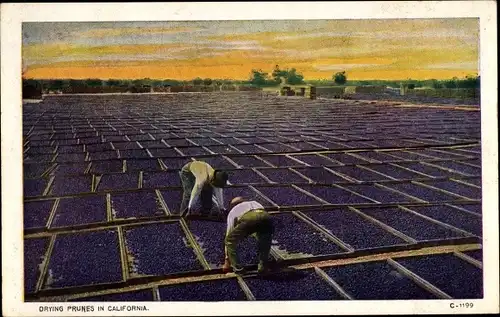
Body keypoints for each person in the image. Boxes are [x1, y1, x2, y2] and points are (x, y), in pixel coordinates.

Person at [222, 197, 274, 274]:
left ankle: (238, 268)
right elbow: (259, 219)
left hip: (249, 219)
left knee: (229, 240)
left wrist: (227, 260)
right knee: (264, 240)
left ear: (232, 206)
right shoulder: (255, 202)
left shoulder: (233, 211)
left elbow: (228, 235)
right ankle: (263, 267)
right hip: (266, 217)